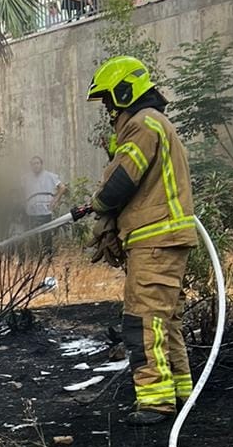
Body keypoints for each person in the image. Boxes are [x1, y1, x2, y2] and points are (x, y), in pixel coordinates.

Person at [74, 56, 196, 425]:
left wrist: (97, 204)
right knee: (164, 320)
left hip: (155, 237)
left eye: (110, 101)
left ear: (125, 92)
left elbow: (121, 181)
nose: (110, 110)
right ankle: (178, 390)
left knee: (142, 321)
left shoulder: (143, 125)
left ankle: (155, 402)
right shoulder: (154, 123)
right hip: (164, 236)